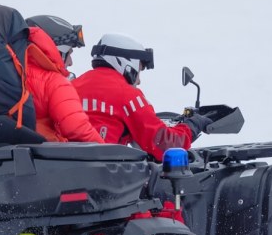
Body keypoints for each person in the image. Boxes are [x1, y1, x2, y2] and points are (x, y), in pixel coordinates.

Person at [0, 14, 102, 150]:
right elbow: (77, 129)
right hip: (46, 172)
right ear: (56, 50)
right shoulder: (54, 83)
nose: (71, 62)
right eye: (69, 53)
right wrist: (110, 155)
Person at [71, 33, 213, 160]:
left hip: (68, 171)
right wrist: (193, 125)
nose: (138, 81)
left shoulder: (72, 86)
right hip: (104, 175)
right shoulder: (126, 95)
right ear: (126, 62)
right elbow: (165, 144)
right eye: (139, 71)